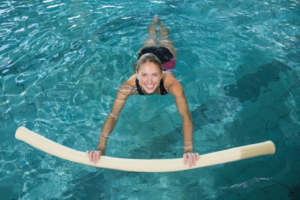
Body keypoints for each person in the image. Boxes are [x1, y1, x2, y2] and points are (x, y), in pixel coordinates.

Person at [87, 16, 199, 167]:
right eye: (144, 75)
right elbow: (113, 116)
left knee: (165, 38)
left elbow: (185, 116)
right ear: (137, 74)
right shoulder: (128, 87)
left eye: (155, 75)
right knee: (151, 39)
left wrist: (188, 149)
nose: (150, 81)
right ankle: (153, 22)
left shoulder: (171, 83)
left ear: (161, 74)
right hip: (145, 55)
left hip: (166, 57)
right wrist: (101, 147)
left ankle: (162, 21)